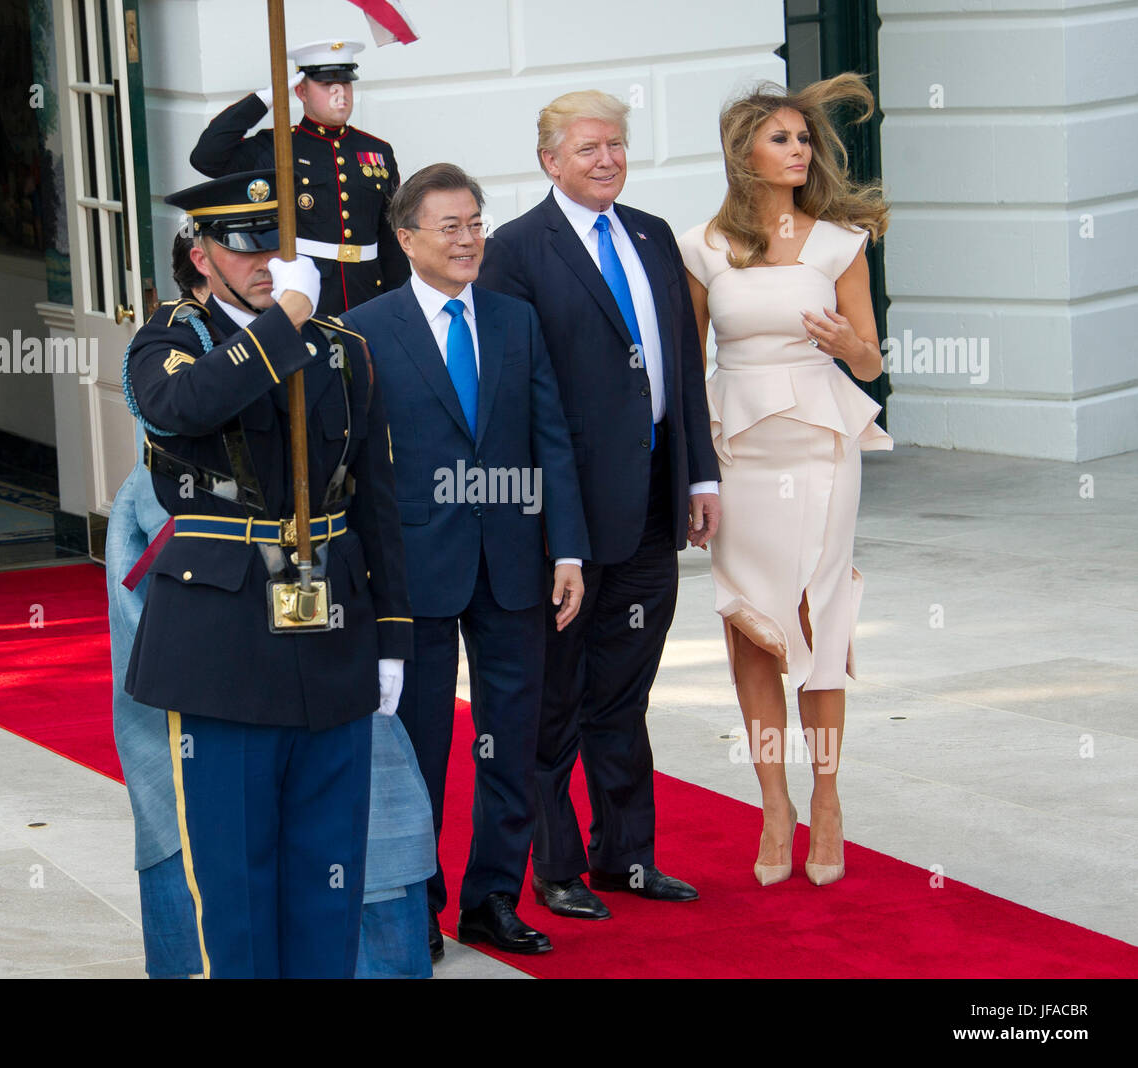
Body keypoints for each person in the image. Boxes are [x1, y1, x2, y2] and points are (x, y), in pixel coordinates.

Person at [121, 169, 414, 978]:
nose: (263, 261)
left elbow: (374, 500)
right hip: (223, 641)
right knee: (235, 878)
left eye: (276, 244)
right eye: (242, 245)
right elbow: (182, 410)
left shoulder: (344, 347)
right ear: (200, 254)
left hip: (332, 630)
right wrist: (282, 323)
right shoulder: (169, 342)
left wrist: (392, 634)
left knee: (330, 873)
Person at [477, 90, 721, 920]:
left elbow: (680, 365)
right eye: (588, 149)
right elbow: (512, 398)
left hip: (655, 501)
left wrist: (702, 477)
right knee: (559, 696)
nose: (607, 160)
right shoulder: (515, 250)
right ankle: (557, 866)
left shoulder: (653, 235)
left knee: (626, 690)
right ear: (549, 161)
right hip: (567, 519)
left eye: (616, 145)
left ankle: (629, 857)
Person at [343, 164, 589, 959]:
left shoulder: (515, 321)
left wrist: (569, 549)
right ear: (406, 237)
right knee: (419, 744)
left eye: (477, 222)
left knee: (509, 740)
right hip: (412, 566)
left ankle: (491, 899)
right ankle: (417, 903)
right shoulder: (368, 328)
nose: (468, 239)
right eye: (449, 226)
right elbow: (350, 458)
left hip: (515, 562)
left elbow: (551, 437)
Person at [677, 73, 891, 887]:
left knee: (819, 615)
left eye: (805, 139)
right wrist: (691, 472)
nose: (799, 150)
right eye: (782, 138)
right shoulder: (702, 247)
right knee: (751, 627)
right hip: (739, 450)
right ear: (744, 153)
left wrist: (845, 343)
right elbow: (689, 362)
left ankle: (828, 798)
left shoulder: (840, 243)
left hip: (820, 447)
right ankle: (775, 803)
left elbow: (872, 361)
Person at [103, 229, 208, 980]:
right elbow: (189, 418)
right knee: (167, 773)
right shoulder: (167, 339)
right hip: (168, 538)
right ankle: (180, 964)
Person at [189, 38, 409, 314]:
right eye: (327, 85)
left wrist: (400, 301)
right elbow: (206, 157)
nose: (340, 93)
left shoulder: (376, 151)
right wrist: (264, 100)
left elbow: (390, 239)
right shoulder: (279, 147)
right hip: (305, 294)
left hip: (368, 292)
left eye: (346, 83)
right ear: (301, 91)